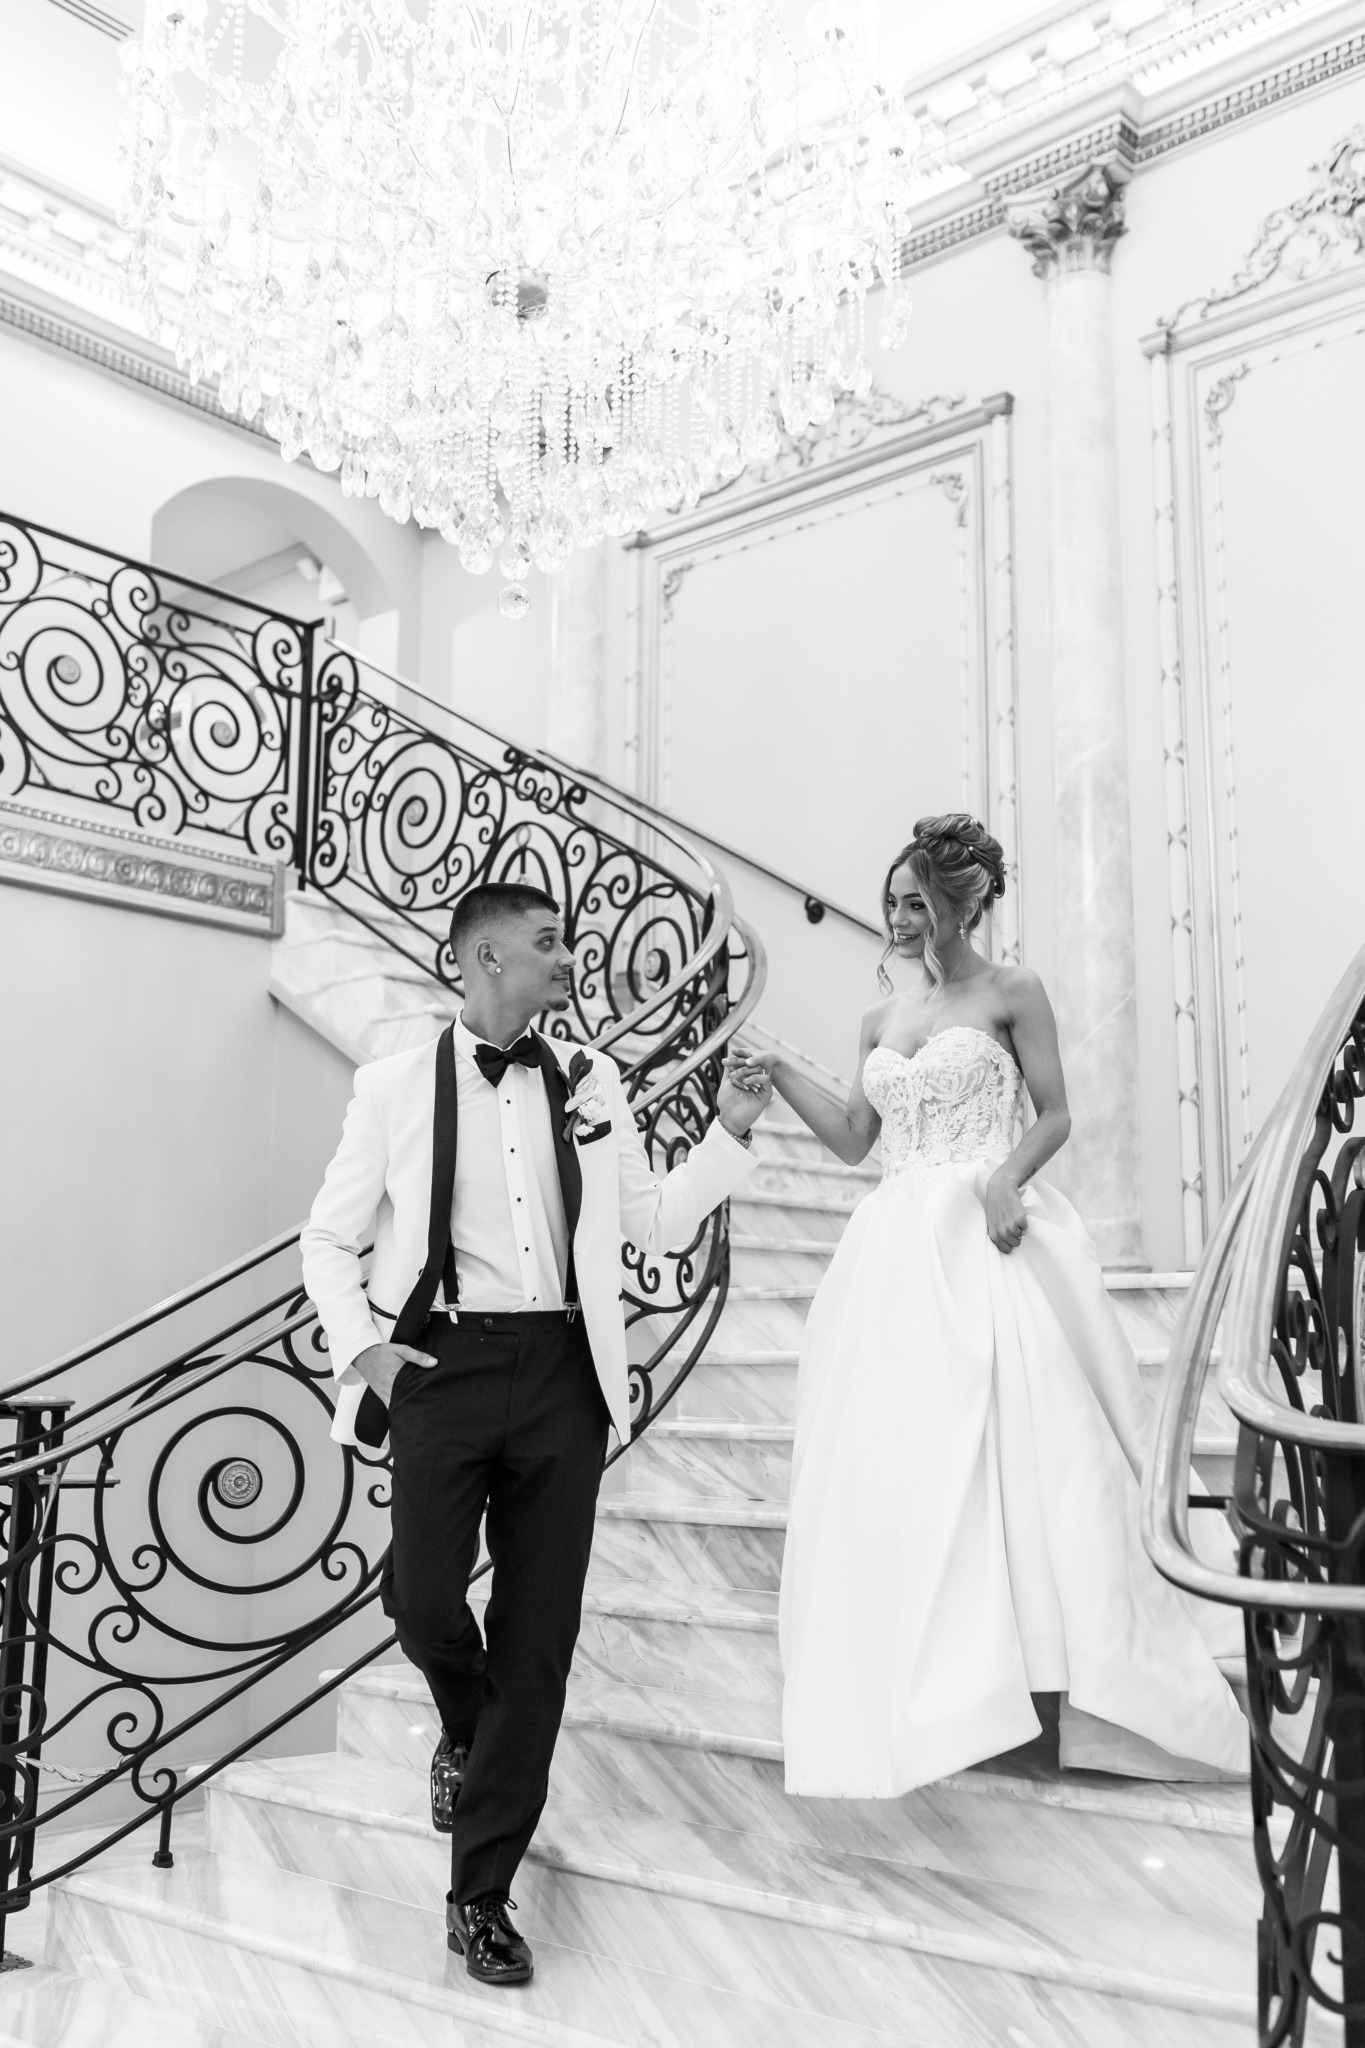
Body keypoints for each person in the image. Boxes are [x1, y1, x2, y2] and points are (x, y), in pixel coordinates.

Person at [302, 881, 771, 1983]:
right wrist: (365, 1350)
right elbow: (326, 1239)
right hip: (439, 1367)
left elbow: (654, 1222)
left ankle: (480, 1894)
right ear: (484, 958)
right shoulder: (392, 1087)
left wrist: (730, 1131)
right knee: (423, 1599)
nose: (570, 958)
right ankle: (469, 1725)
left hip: (563, 1374)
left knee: (537, 1638)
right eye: (550, 942)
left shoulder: (591, 1078)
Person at [726, 815, 1246, 1796]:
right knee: (909, 1460)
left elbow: (1056, 1113)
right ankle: (938, 1683)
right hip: (893, 1251)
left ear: (962, 905)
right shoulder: (879, 1020)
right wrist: (784, 1071)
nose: (899, 919)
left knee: (1018, 1452)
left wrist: (1005, 1178)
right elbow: (855, 1139)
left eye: (916, 902)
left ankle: (1050, 1677)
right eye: (892, 903)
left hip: (984, 1234)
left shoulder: (1013, 991)